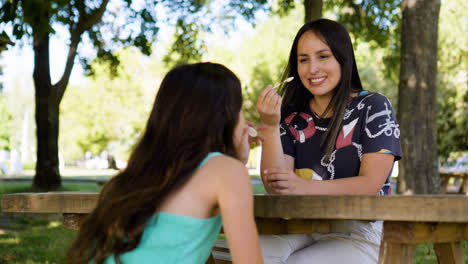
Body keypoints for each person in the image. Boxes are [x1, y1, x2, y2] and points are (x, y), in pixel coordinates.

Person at [67, 62, 263, 264]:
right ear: (226, 117)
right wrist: (236, 165)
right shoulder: (228, 172)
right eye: (240, 109)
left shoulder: (142, 172)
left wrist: (235, 161)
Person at [256, 18, 402, 263]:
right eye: (303, 60)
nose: (312, 68)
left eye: (323, 56)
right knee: (254, 253)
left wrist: (301, 187)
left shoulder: (374, 107)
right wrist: (270, 127)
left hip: (361, 230)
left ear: (342, 58)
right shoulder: (292, 118)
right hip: (301, 225)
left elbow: (370, 184)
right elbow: (277, 188)